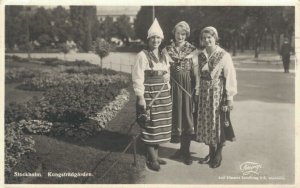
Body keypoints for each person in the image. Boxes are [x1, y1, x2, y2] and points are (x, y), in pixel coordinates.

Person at [132, 18, 172, 171]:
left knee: (160, 125)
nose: (155, 40)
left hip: (163, 95)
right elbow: (137, 77)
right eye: (153, 38)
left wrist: (166, 80)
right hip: (149, 95)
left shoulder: (164, 55)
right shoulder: (142, 55)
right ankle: (152, 159)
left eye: (158, 38)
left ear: (161, 39)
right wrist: (140, 97)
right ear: (148, 39)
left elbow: (166, 73)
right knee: (150, 125)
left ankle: (155, 154)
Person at [196, 26, 237, 168]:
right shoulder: (201, 55)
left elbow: (230, 76)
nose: (207, 40)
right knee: (207, 123)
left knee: (217, 123)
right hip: (204, 93)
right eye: (204, 38)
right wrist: (196, 93)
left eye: (210, 37)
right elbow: (198, 76)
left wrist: (229, 97)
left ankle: (218, 153)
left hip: (218, 94)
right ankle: (211, 152)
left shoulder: (223, 55)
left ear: (215, 38)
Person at [163, 21, 200, 165]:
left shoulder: (192, 50)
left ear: (187, 35)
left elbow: (196, 71)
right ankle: (181, 149)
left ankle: (186, 151)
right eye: (178, 33)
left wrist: (196, 88)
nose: (180, 36)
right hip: (173, 87)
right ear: (174, 33)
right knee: (176, 117)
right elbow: (165, 69)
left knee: (187, 117)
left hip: (187, 88)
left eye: (183, 34)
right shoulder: (166, 50)